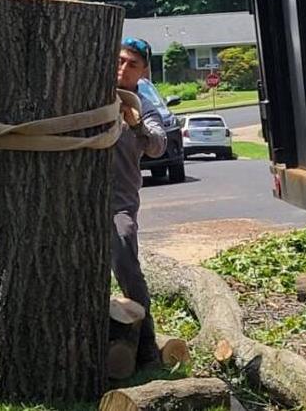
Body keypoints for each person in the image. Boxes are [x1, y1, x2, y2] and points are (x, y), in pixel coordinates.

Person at [113, 36, 167, 366]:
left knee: (125, 259)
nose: (123, 68)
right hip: (80, 199)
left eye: (132, 64)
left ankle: (147, 345)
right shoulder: (90, 91)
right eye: (119, 60)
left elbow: (159, 144)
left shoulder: (142, 102)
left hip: (118, 202)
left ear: (143, 71)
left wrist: (135, 124)